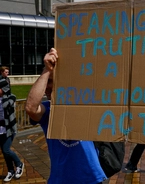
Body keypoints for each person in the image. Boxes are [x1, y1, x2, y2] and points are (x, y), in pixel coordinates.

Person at [25, 48, 107, 184]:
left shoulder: (84, 103)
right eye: (46, 83)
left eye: (50, 82)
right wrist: (47, 70)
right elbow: (31, 108)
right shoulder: (48, 110)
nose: (46, 88)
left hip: (91, 177)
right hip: (61, 178)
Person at [0, 79, 24, 182]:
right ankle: (10, 170)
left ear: (3, 89)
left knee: (6, 150)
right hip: (0, 130)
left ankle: (19, 164)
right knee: (4, 152)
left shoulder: (10, 98)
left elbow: (7, 105)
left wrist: (5, 96)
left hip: (8, 129)